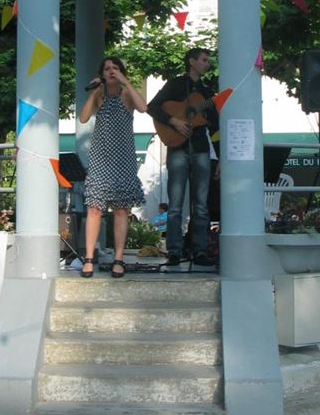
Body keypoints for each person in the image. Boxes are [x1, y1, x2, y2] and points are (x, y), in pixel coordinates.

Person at [147, 47, 218, 267]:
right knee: (175, 204)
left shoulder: (207, 92)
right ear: (192, 62)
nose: (208, 64)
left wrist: (222, 157)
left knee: (201, 205)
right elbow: (152, 107)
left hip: (200, 148)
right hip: (177, 147)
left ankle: (199, 250)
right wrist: (174, 121)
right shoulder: (176, 84)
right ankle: (175, 250)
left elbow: (215, 126)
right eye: (204, 60)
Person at [79, 56, 147, 279]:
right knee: (94, 208)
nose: (111, 71)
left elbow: (143, 108)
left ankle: (119, 258)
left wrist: (125, 81)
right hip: (101, 157)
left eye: (115, 68)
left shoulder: (126, 94)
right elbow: (83, 118)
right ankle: (88, 258)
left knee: (120, 209)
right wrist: (93, 91)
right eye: (107, 68)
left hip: (123, 158)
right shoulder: (99, 94)